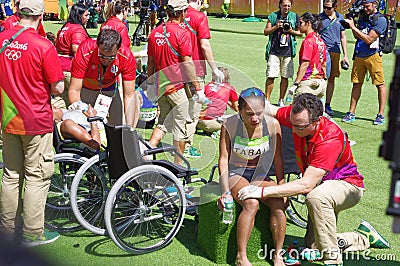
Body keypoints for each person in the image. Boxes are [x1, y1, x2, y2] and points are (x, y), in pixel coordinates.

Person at [238, 93, 390, 266]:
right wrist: (244, 100)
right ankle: (362, 238)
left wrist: (261, 191)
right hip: (320, 185)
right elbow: (272, 109)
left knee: (317, 197)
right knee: (312, 246)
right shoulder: (298, 117)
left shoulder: (330, 138)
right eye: (292, 124)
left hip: (348, 186)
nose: (293, 130)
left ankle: (332, 260)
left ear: (317, 120)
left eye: (300, 127)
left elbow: (306, 184)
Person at [0, 0, 64, 246]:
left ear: (17, 12)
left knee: (11, 175)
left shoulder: (3, 38)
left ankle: (7, 230)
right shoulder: (42, 46)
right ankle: (32, 232)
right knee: (37, 176)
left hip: (8, 118)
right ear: (41, 14)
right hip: (35, 120)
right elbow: (58, 87)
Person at [217, 87, 286, 266]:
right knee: (251, 202)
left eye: (259, 113)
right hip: (236, 173)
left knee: (278, 202)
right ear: (239, 110)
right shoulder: (229, 125)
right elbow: (223, 160)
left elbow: (278, 159)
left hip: (260, 173)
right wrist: (225, 191)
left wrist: (281, 186)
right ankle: (241, 257)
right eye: (249, 114)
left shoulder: (273, 125)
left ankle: (278, 254)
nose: (255, 118)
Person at [146, 0, 201, 165]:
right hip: (177, 88)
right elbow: (188, 63)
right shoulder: (182, 33)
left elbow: (150, 63)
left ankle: (146, 151)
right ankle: (178, 169)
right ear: (183, 12)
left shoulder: (154, 32)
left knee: (163, 122)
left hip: (160, 87)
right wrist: (198, 87)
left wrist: (150, 85)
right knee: (181, 129)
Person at [68, 28, 142, 128]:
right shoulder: (85, 50)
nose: (106, 60)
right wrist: (84, 109)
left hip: (109, 89)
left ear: (118, 49)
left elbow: (129, 95)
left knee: (117, 126)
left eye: (111, 57)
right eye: (102, 56)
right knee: (87, 126)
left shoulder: (126, 56)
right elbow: (74, 90)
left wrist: (129, 126)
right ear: (97, 46)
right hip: (87, 89)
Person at [183, 0, 225, 157]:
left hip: (176, 68)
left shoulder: (178, 14)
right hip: (195, 68)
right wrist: (214, 68)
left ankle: (178, 142)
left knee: (181, 107)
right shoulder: (199, 17)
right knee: (193, 110)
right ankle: (186, 146)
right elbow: (205, 45)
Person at [341, 0, 387, 125]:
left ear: (375, 4)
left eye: (367, 7)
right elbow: (357, 37)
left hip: (373, 55)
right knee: (356, 84)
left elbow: (368, 39)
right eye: (364, 7)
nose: (365, 9)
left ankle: (381, 114)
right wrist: (353, 22)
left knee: (379, 84)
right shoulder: (363, 17)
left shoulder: (381, 20)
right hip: (359, 54)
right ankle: (351, 112)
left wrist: (353, 27)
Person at [264, 0, 302, 106]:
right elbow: (265, 32)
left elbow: (300, 33)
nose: (286, 8)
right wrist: (276, 26)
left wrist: (290, 30)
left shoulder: (294, 17)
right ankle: (267, 99)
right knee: (271, 75)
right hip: (274, 51)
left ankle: (281, 99)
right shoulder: (273, 16)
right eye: (284, 5)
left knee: (285, 76)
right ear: (280, 5)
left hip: (288, 51)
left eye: (289, 6)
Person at [56, 3, 90, 106]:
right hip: (71, 70)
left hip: (60, 68)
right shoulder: (77, 29)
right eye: (86, 15)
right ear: (79, 16)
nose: (88, 18)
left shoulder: (65, 26)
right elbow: (76, 49)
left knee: (63, 102)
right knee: (78, 103)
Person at [287, 12, 327, 101]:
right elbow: (324, 63)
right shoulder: (320, 41)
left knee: (299, 112)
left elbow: (305, 64)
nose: (299, 25)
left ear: (308, 23)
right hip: (321, 83)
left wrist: (296, 83)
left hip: (308, 83)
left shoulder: (308, 41)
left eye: (301, 23)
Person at [319, 0, 349, 116]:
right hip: (322, 52)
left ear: (335, 7)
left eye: (329, 8)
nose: (326, 10)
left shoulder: (340, 18)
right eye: (325, 7)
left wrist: (345, 55)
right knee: (321, 77)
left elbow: (343, 37)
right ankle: (318, 103)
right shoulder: (320, 18)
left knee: (332, 78)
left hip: (335, 52)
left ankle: (327, 104)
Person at [196, 67, 238, 136]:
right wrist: (227, 102)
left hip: (197, 120)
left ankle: (205, 128)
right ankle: (215, 129)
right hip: (210, 123)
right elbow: (236, 109)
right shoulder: (230, 88)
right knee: (234, 121)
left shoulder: (207, 86)